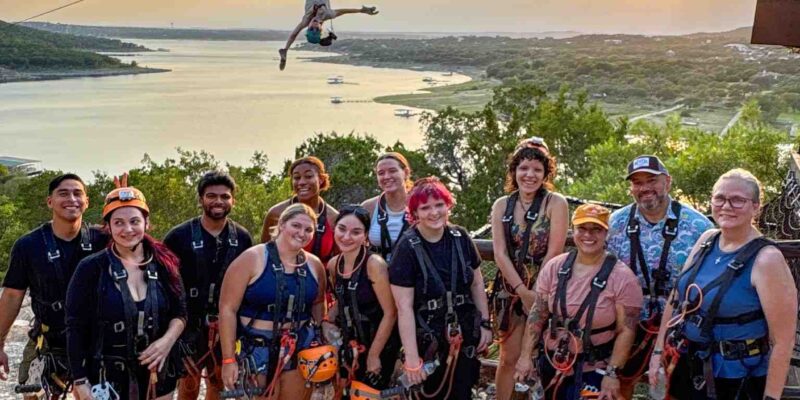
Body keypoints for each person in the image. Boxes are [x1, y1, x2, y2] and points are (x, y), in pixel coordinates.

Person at [649, 169, 797, 400]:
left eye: (738, 200)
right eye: (720, 198)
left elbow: (783, 341)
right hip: (689, 365)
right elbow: (677, 299)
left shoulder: (767, 260)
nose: (726, 206)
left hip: (736, 379)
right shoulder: (707, 240)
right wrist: (658, 351)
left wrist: (771, 397)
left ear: (756, 206)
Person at [66, 175, 187, 400]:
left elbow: (180, 313)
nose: (128, 229)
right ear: (108, 228)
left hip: (158, 374)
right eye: (118, 222)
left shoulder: (165, 264)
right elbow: (75, 327)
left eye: (134, 221)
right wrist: (80, 379)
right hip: (106, 374)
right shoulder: (91, 269)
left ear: (146, 223)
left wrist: (166, 342)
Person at [605, 155, 713, 398]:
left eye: (651, 180)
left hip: (678, 321)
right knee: (619, 383)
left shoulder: (698, 227)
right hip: (627, 320)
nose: (644, 188)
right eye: (637, 182)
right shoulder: (616, 223)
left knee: (675, 388)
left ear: (668, 182)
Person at [514, 204, 643, 400]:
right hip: (552, 361)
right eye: (582, 228)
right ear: (573, 231)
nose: (588, 235)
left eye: (596, 229)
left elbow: (626, 330)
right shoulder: (555, 267)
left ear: (606, 233)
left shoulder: (623, 278)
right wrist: (525, 356)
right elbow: (537, 313)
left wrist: (612, 373)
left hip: (594, 368)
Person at [0, 174, 108, 399]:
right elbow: (12, 296)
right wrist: (0, 342)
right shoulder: (28, 245)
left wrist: (122, 206)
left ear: (87, 202)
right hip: (48, 340)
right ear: (50, 201)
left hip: (95, 340)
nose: (71, 199)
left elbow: (138, 247)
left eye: (78, 193)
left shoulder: (103, 240)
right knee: (33, 395)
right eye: (63, 193)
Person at [389, 177, 492, 400]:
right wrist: (412, 358)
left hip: (464, 332)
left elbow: (476, 283)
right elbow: (403, 307)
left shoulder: (461, 237)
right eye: (425, 208)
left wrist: (485, 323)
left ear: (448, 205)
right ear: (415, 213)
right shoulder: (406, 248)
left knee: (462, 391)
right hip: (428, 338)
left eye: (439, 205)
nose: (434, 213)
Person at [219, 203, 327, 400]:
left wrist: (320, 341)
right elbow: (227, 309)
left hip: (298, 348)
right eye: (296, 226)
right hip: (256, 349)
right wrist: (228, 359)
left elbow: (319, 303)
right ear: (282, 225)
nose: (302, 233)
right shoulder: (252, 258)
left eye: (308, 229)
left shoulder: (314, 265)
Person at [489, 137, 569, 400]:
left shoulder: (556, 203)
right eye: (524, 168)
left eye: (537, 169)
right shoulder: (502, 205)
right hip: (510, 289)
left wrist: (536, 293)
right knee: (508, 357)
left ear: (546, 173)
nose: (529, 175)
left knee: (542, 355)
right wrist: (523, 291)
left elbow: (554, 252)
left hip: (546, 286)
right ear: (514, 170)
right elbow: (499, 252)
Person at [164, 170, 254, 400]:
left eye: (225, 196)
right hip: (189, 322)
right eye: (211, 196)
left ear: (233, 200)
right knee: (189, 381)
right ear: (201, 199)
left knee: (219, 380)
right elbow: (165, 284)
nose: (218, 201)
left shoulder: (242, 238)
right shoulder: (179, 236)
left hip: (226, 321)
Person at [324, 204, 399, 395]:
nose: (347, 237)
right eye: (342, 229)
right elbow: (343, 300)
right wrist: (326, 322)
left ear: (365, 236)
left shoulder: (374, 265)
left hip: (377, 342)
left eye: (356, 232)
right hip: (348, 343)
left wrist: (374, 355)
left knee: (367, 394)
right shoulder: (334, 265)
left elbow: (390, 313)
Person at [262, 156, 339, 265]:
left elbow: (339, 262)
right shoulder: (276, 213)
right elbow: (263, 255)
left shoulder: (333, 218)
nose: (302, 182)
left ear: (321, 179)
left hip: (319, 279)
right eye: (297, 177)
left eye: (308, 176)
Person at [278, 0, 378, 70]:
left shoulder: (305, 21)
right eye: (316, 29)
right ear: (321, 29)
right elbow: (343, 11)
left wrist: (286, 49)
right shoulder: (328, 15)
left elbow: (293, 35)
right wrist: (361, 10)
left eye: (311, 28)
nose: (314, 25)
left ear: (308, 28)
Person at [361, 152, 413, 262]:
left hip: (416, 273)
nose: (387, 177)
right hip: (378, 273)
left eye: (393, 171)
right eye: (381, 173)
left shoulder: (420, 204)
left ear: (406, 172)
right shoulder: (368, 207)